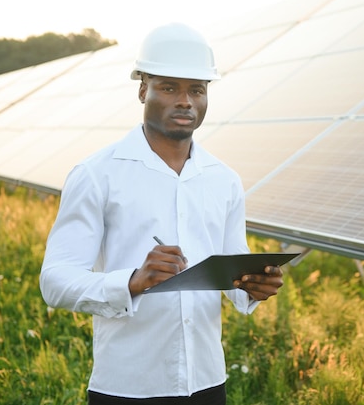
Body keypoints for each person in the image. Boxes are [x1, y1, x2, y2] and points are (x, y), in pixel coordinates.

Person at [39, 22, 284, 404]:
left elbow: (235, 268)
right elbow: (54, 281)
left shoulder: (225, 180)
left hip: (207, 382)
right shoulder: (96, 175)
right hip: (127, 385)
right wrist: (132, 281)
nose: (185, 100)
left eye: (197, 90)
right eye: (169, 87)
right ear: (143, 90)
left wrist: (253, 286)